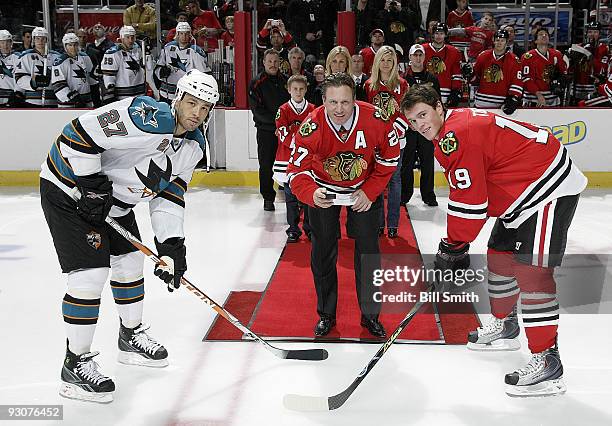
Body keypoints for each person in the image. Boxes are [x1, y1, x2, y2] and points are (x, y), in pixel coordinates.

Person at [40, 69, 219, 403]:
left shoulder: (192, 147)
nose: (197, 112)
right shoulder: (144, 114)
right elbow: (76, 133)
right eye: (192, 102)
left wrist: (170, 245)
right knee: (89, 277)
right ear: (177, 99)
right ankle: (74, 365)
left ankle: (130, 336)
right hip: (68, 189)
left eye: (205, 107)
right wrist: (91, 186)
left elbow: (169, 195)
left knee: (130, 262)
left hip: (111, 201)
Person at [401, 84, 587, 397]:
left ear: (437, 106)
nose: (420, 125)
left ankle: (548, 362)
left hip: (547, 188)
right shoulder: (450, 131)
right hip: (521, 188)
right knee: (499, 253)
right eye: (413, 121)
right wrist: (454, 246)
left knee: (533, 274)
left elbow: (471, 205)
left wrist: (452, 247)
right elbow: (473, 194)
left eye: (423, 115)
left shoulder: (455, 134)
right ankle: (506, 325)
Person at [287, 73, 400, 338]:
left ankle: (370, 316)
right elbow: (296, 171)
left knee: (368, 255)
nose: (339, 109)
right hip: (323, 191)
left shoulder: (376, 119)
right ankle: (326, 315)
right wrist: (311, 193)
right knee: (322, 253)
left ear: (355, 100)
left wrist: (371, 191)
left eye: (346, 102)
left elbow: (390, 158)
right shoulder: (311, 126)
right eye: (333, 102)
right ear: (323, 101)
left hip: (362, 190)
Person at [364, 45, 409, 239]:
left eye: (389, 60)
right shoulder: (369, 85)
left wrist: (396, 130)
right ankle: (378, 224)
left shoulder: (402, 84)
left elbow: (407, 109)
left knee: (394, 181)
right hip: (375, 141)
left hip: (396, 140)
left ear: (394, 63)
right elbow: (365, 111)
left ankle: (392, 224)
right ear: (377, 62)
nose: (386, 64)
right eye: (382, 60)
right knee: (376, 181)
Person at [274, 74, 315, 242]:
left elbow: (316, 132)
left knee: (307, 196)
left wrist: (304, 143)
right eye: (295, 89)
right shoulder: (283, 110)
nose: (298, 92)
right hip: (287, 160)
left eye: (301, 89)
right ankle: (293, 228)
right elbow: (283, 134)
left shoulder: (313, 109)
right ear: (289, 90)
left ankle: (309, 228)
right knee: (290, 197)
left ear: (306, 90)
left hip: (307, 160)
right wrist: (302, 142)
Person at [248, 49, 290, 211]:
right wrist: (276, 125)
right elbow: (257, 111)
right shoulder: (256, 83)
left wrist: (284, 127)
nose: (273, 64)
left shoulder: (286, 81)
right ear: (264, 63)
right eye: (269, 61)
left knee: (287, 163)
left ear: (279, 62)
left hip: (285, 132)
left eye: (275, 61)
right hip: (266, 131)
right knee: (266, 165)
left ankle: (289, 193)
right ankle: (267, 197)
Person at [401, 43, 438, 207]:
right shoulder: (402, 79)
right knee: (406, 163)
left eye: (420, 55)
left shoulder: (432, 79)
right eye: (414, 55)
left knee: (427, 161)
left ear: (424, 57)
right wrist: (409, 123)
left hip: (427, 129)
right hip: (409, 129)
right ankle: (404, 195)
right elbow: (401, 104)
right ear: (409, 57)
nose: (417, 58)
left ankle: (429, 195)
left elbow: (437, 104)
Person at [468, 29, 523, 113]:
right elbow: (476, 78)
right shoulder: (483, 56)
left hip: (501, 105)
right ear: (493, 41)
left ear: (506, 42)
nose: (499, 43)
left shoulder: (514, 60)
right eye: (497, 40)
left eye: (502, 40)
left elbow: (517, 82)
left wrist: (513, 98)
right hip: (481, 102)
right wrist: (469, 73)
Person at [155, 22, 210, 104]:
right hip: (167, 94)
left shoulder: (196, 51)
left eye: (186, 34)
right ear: (177, 34)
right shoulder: (167, 48)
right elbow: (158, 68)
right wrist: (161, 72)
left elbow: (205, 74)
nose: (184, 36)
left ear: (190, 35)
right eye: (181, 33)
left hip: (187, 95)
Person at [14, 27, 61, 107]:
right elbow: (19, 77)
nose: (40, 41)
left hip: (53, 101)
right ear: (33, 40)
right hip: (32, 102)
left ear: (47, 40)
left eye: (43, 38)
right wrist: (33, 82)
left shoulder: (57, 56)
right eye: (37, 38)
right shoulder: (26, 56)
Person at [521, 28, 568, 107]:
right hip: (533, 99)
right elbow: (526, 79)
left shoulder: (557, 54)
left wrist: (561, 81)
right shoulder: (527, 57)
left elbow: (563, 74)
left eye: (546, 34)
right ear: (535, 41)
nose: (544, 35)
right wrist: (538, 95)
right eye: (540, 34)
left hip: (553, 99)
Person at [52, 33, 98, 108]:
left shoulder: (85, 57)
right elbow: (58, 85)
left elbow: (91, 78)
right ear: (65, 46)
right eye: (70, 45)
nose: (73, 48)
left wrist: (95, 96)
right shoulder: (60, 62)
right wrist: (73, 99)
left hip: (87, 101)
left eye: (75, 45)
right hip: (68, 104)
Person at [101, 26, 146, 104]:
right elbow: (108, 77)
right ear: (121, 38)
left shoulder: (139, 50)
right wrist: (109, 97)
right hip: (122, 99)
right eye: (127, 37)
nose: (130, 40)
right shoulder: (113, 53)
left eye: (133, 37)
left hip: (140, 96)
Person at [422, 22, 462, 106]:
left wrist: (456, 90)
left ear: (445, 35)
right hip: (425, 91)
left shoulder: (453, 51)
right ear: (432, 34)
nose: (439, 36)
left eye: (441, 33)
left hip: (445, 93)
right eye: (436, 33)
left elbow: (456, 73)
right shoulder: (422, 49)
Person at [0, 29, 20, 107]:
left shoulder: (18, 58)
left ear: (11, 43)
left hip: (12, 98)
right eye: (2, 42)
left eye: (7, 42)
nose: (5, 45)